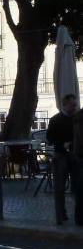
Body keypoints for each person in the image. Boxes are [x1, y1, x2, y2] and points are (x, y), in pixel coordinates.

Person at [48, 93, 78, 225]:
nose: (74, 108)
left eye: (75, 105)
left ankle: (79, 216)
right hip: (60, 156)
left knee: (78, 186)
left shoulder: (77, 119)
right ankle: (60, 215)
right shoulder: (55, 120)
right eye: (72, 105)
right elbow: (49, 138)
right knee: (59, 188)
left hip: (75, 156)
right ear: (65, 105)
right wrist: (62, 144)